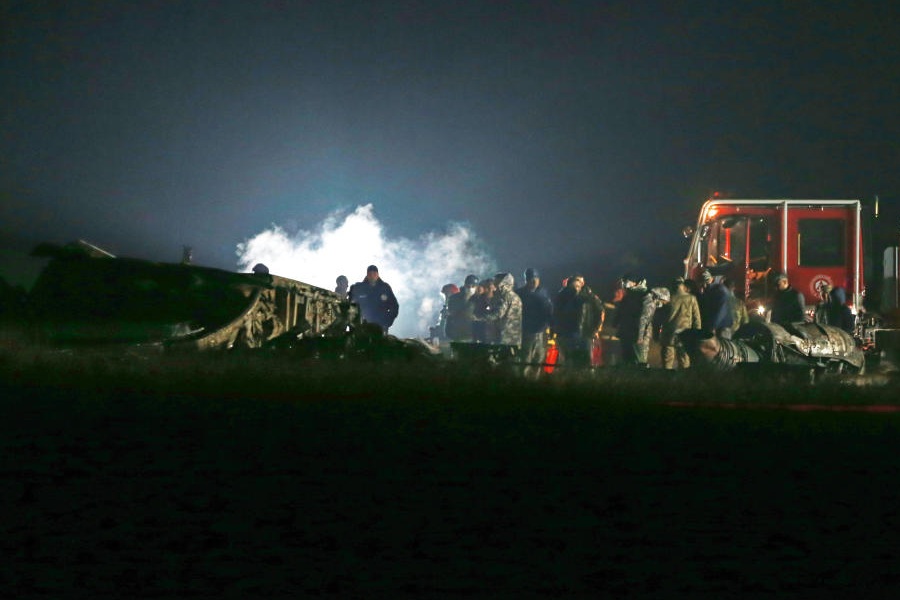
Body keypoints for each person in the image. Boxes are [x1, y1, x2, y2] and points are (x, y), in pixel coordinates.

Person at [516, 268, 553, 378]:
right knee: (526, 357)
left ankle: (534, 380)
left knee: (539, 357)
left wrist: (551, 326)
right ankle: (523, 381)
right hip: (527, 331)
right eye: (531, 279)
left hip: (541, 331)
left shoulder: (543, 292)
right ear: (526, 280)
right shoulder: (520, 294)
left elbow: (549, 310)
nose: (534, 281)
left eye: (536, 278)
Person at [659, 277, 701, 369]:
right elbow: (696, 319)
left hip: (669, 334)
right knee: (684, 362)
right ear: (683, 285)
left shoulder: (668, 298)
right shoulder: (691, 298)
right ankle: (683, 381)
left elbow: (660, 318)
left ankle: (666, 381)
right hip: (685, 335)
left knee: (667, 363)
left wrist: (656, 332)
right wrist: (697, 335)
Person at [554, 274, 591, 369]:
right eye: (577, 283)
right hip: (569, 333)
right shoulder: (566, 296)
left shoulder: (584, 297)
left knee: (574, 360)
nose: (579, 285)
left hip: (577, 333)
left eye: (580, 284)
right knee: (569, 360)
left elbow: (596, 312)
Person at [348, 265, 399, 334]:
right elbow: (350, 305)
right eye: (370, 274)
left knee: (380, 344)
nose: (372, 276)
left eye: (374, 274)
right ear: (367, 275)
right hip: (362, 326)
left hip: (380, 326)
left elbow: (394, 306)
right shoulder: (358, 288)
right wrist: (353, 324)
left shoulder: (385, 287)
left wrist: (387, 321)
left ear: (378, 275)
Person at [478, 273, 523, 349]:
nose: (494, 285)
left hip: (503, 338)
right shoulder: (515, 296)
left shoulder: (504, 296)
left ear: (502, 283)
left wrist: (478, 318)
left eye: (496, 282)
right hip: (515, 337)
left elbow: (497, 314)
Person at [615, 275, 653, 366]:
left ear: (637, 282)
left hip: (639, 335)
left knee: (640, 362)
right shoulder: (628, 295)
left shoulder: (645, 295)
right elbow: (620, 312)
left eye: (627, 282)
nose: (625, 284)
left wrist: (640, 337)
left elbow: (644, 318)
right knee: (627, 361)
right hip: (627, 334)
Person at [699, 270, 734, 339]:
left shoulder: (719, 291)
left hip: (722, 328)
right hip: (721, 326)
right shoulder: (715, 290)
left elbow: (720, 311)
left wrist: (712, 327)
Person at [446, 274, 479, 341]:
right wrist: (465, 300)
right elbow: (451, 313)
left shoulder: (480, 299)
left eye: (473, 286)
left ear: (477, 287)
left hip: (473, 335)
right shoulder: (454, 298)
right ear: (465, 285)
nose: (470, 288)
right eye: (468, 286)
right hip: (457, 334)